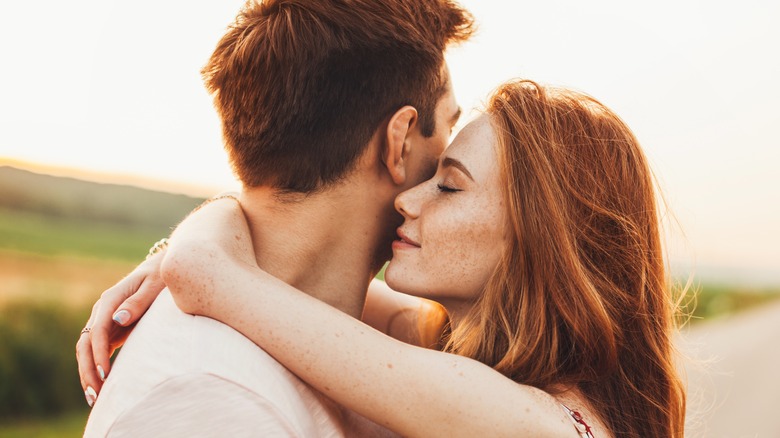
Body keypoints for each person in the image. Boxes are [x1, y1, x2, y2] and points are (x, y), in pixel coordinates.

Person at [80, 80, 687, 436]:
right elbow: (288, 270)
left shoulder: (530, 422)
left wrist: (186, 253)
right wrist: (203, 236)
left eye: (449, 186)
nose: (410, 197)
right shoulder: (444, 349)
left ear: (540, 240)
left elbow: (211, 276)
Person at [77, 0, 474, 436]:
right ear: (398, 141)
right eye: (448, 131)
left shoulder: (352, 345)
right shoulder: (210, 399)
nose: (446, 162)